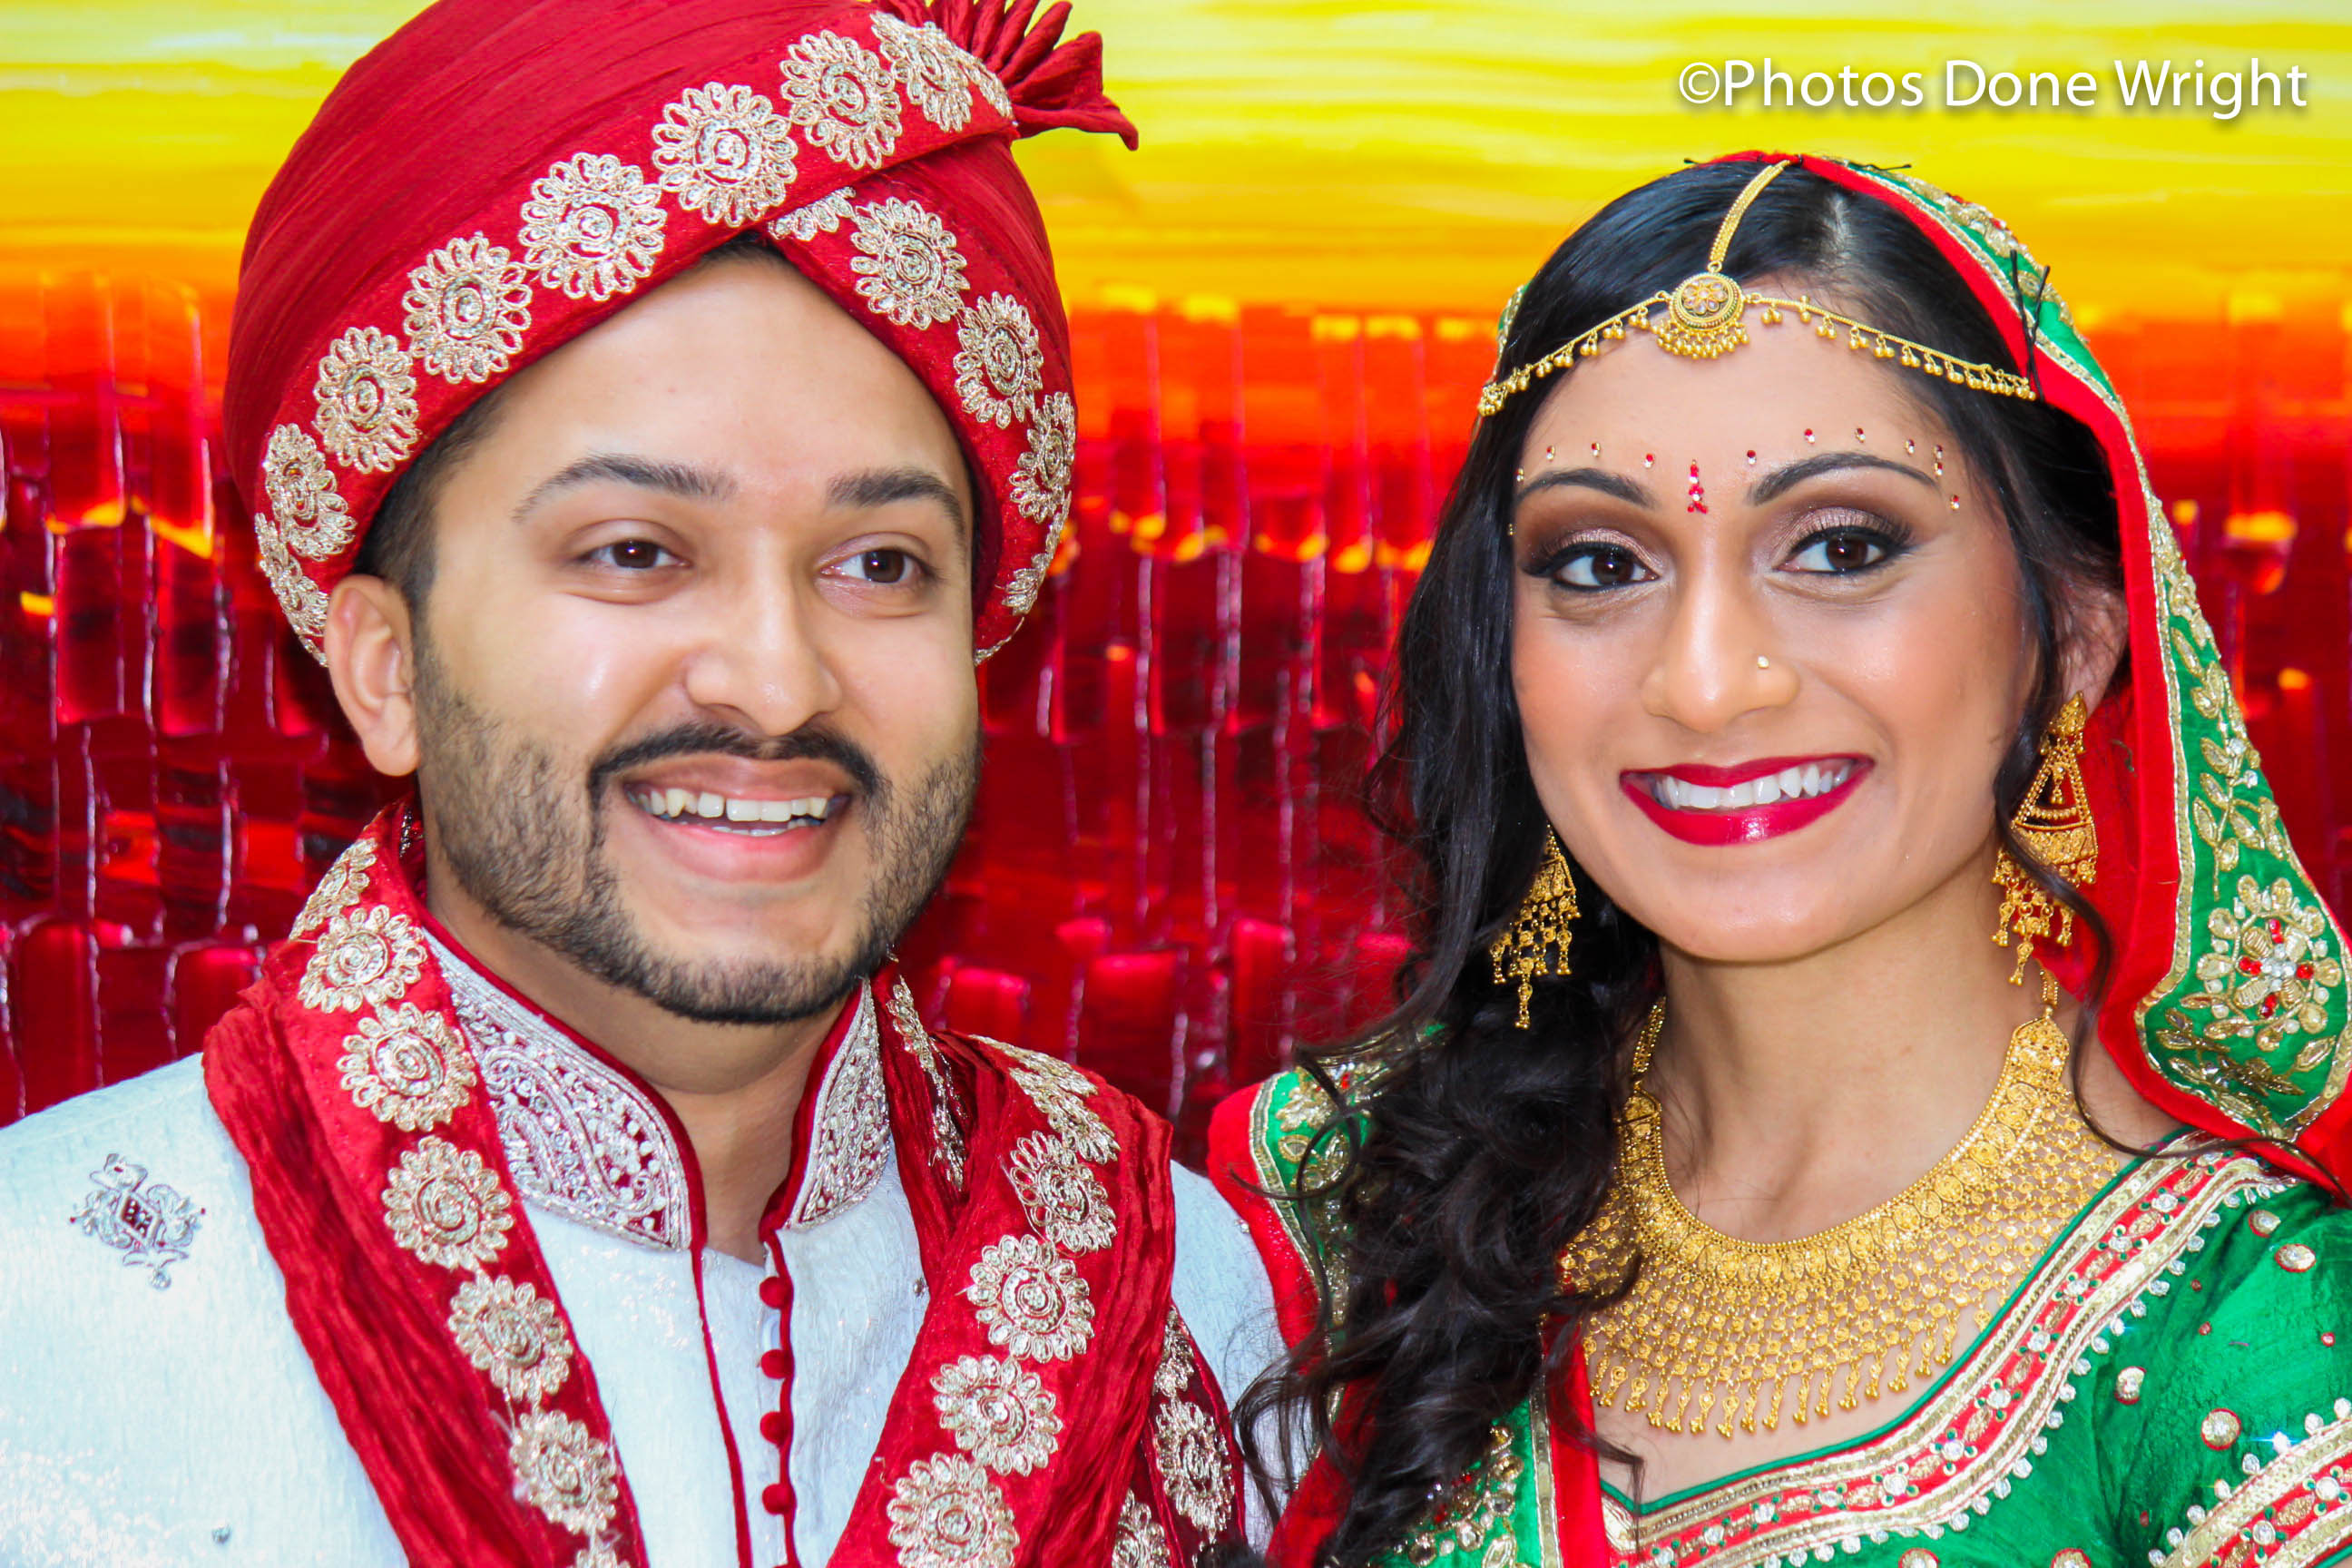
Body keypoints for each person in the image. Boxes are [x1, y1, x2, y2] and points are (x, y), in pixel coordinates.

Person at [0, 1, 1279, 1563]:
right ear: (383, 668)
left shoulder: (1187, 1300)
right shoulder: (47, 1325)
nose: (777, 683)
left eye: (880, 564)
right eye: (632, 552)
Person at [1210, 152, 2352, 1568]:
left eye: (1842, 547)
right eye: (1600, 564)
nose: (1704, 684)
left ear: (2070, 636)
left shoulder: (2248, 1337)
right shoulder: (1336, 1198)